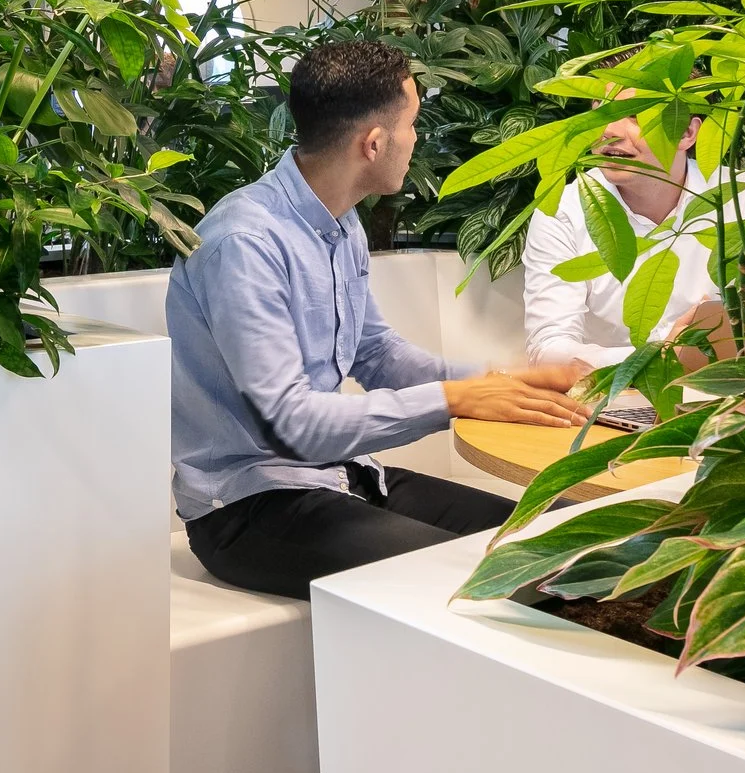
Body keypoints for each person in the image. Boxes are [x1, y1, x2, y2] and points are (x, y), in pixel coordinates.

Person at [169, 40, 591, 600]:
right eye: (412, 124)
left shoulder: (340, 224)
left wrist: (497, 380)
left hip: (344, 477)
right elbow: (294, 427)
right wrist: (453, 399)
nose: (416, 140)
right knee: (497, 581)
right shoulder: (244, 243)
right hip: (248, 508)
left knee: (567, 538)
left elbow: (376, 354)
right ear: (374, 143)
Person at [522, 113, 727, 371]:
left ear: (685, 133)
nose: (609, 130)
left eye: (635, 115)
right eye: (601, 113)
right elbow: (547, 351)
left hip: (741, 394)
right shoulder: (563, 212)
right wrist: (658, 355)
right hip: (613, 398)